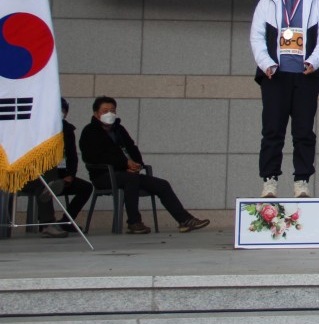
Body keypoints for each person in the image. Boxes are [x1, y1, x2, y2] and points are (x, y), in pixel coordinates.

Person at [250, 0, 319, 199]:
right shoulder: (268, 1)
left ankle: (302, 181)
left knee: (304, 131)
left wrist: (314, 61)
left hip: (306, 75)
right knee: (272, 130)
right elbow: (257, 36)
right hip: (275, 75)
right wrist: (266, 63)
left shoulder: (316, 2)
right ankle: (270, 180)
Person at [78, 96, 210, 234]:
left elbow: (132, 148)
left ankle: (185, 220)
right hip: (104, 175)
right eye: (105, 111)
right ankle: (134, 222)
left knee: (162, 185)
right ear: (96, 113)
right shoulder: (90, 131)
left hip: (128, 173)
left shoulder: (119, 129)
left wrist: (137, 164)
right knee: (131, 180)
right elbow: (93, 157)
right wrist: (124, 164)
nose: (109, 114)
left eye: (112, 110)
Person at [35, 98, 93, 238]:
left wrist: (71, 174)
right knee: (47, 184)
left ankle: (66, 221)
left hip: (61, 174)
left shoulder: (67, 130)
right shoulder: (37, 129)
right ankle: (46, 224)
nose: (60, 113)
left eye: (63, 111)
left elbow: (72, 156)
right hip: (39, 176)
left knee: (85, 188)